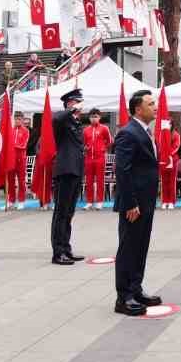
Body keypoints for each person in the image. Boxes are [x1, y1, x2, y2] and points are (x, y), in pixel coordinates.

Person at [112, 89, 162, 316]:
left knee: (141, 246)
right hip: (134, 203)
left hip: (146, 200)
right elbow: (122, 170)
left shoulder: (146, 131)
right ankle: (124, 298)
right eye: (151, 104)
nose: (155, 107)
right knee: (128, 247)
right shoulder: (128, 133)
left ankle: (136, 289)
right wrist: (130, 203)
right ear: (138, 109)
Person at [52, 89, 87, 264]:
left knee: (69, 213)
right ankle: (58, 252)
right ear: (69, 104)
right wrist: (70, 109)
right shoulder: (63, 121)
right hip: (65, 170)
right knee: (61, 212)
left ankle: (66, 248)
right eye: (76, 103)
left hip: (75, 171)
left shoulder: (76, 123)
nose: (80, 107)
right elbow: (56, 118)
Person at [83, 109, 111, 210]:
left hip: (100, 158)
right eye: (92, 117)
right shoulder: (86, 130)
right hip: (89, 158)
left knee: (100, 180)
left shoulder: (104, 128)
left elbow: (110, 141)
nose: (93, 119)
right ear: (89, 118)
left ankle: (99, 201)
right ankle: (89, 201)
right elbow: (83, 143)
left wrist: (104, 148)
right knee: (89, 180)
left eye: (95, 116)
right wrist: (85, 148)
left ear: (99, 117)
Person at [2, 113, 30, 210]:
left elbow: (24, 145)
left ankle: (21, 200)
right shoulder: (10, 130)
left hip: (20, 158)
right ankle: (11, 200)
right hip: (11, 158)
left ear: (22, 120)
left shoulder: (26, 131)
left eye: (19, 119)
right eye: (16, 119)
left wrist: (13, 146)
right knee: (10, 180)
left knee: (21, 180)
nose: (17, 121)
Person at [158, 119, 180, 210]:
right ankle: (164, 201)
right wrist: (163, 155)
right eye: (167, 124)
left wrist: (169, 154)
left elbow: (176, 146)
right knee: (164, 181)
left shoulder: (176, 135)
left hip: (172, 160)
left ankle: (171, 201)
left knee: (172, 181)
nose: (168, 126)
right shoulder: (161, 135)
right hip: (163, 160)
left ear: (172, 125)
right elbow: (160, 146)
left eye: (170, 124)